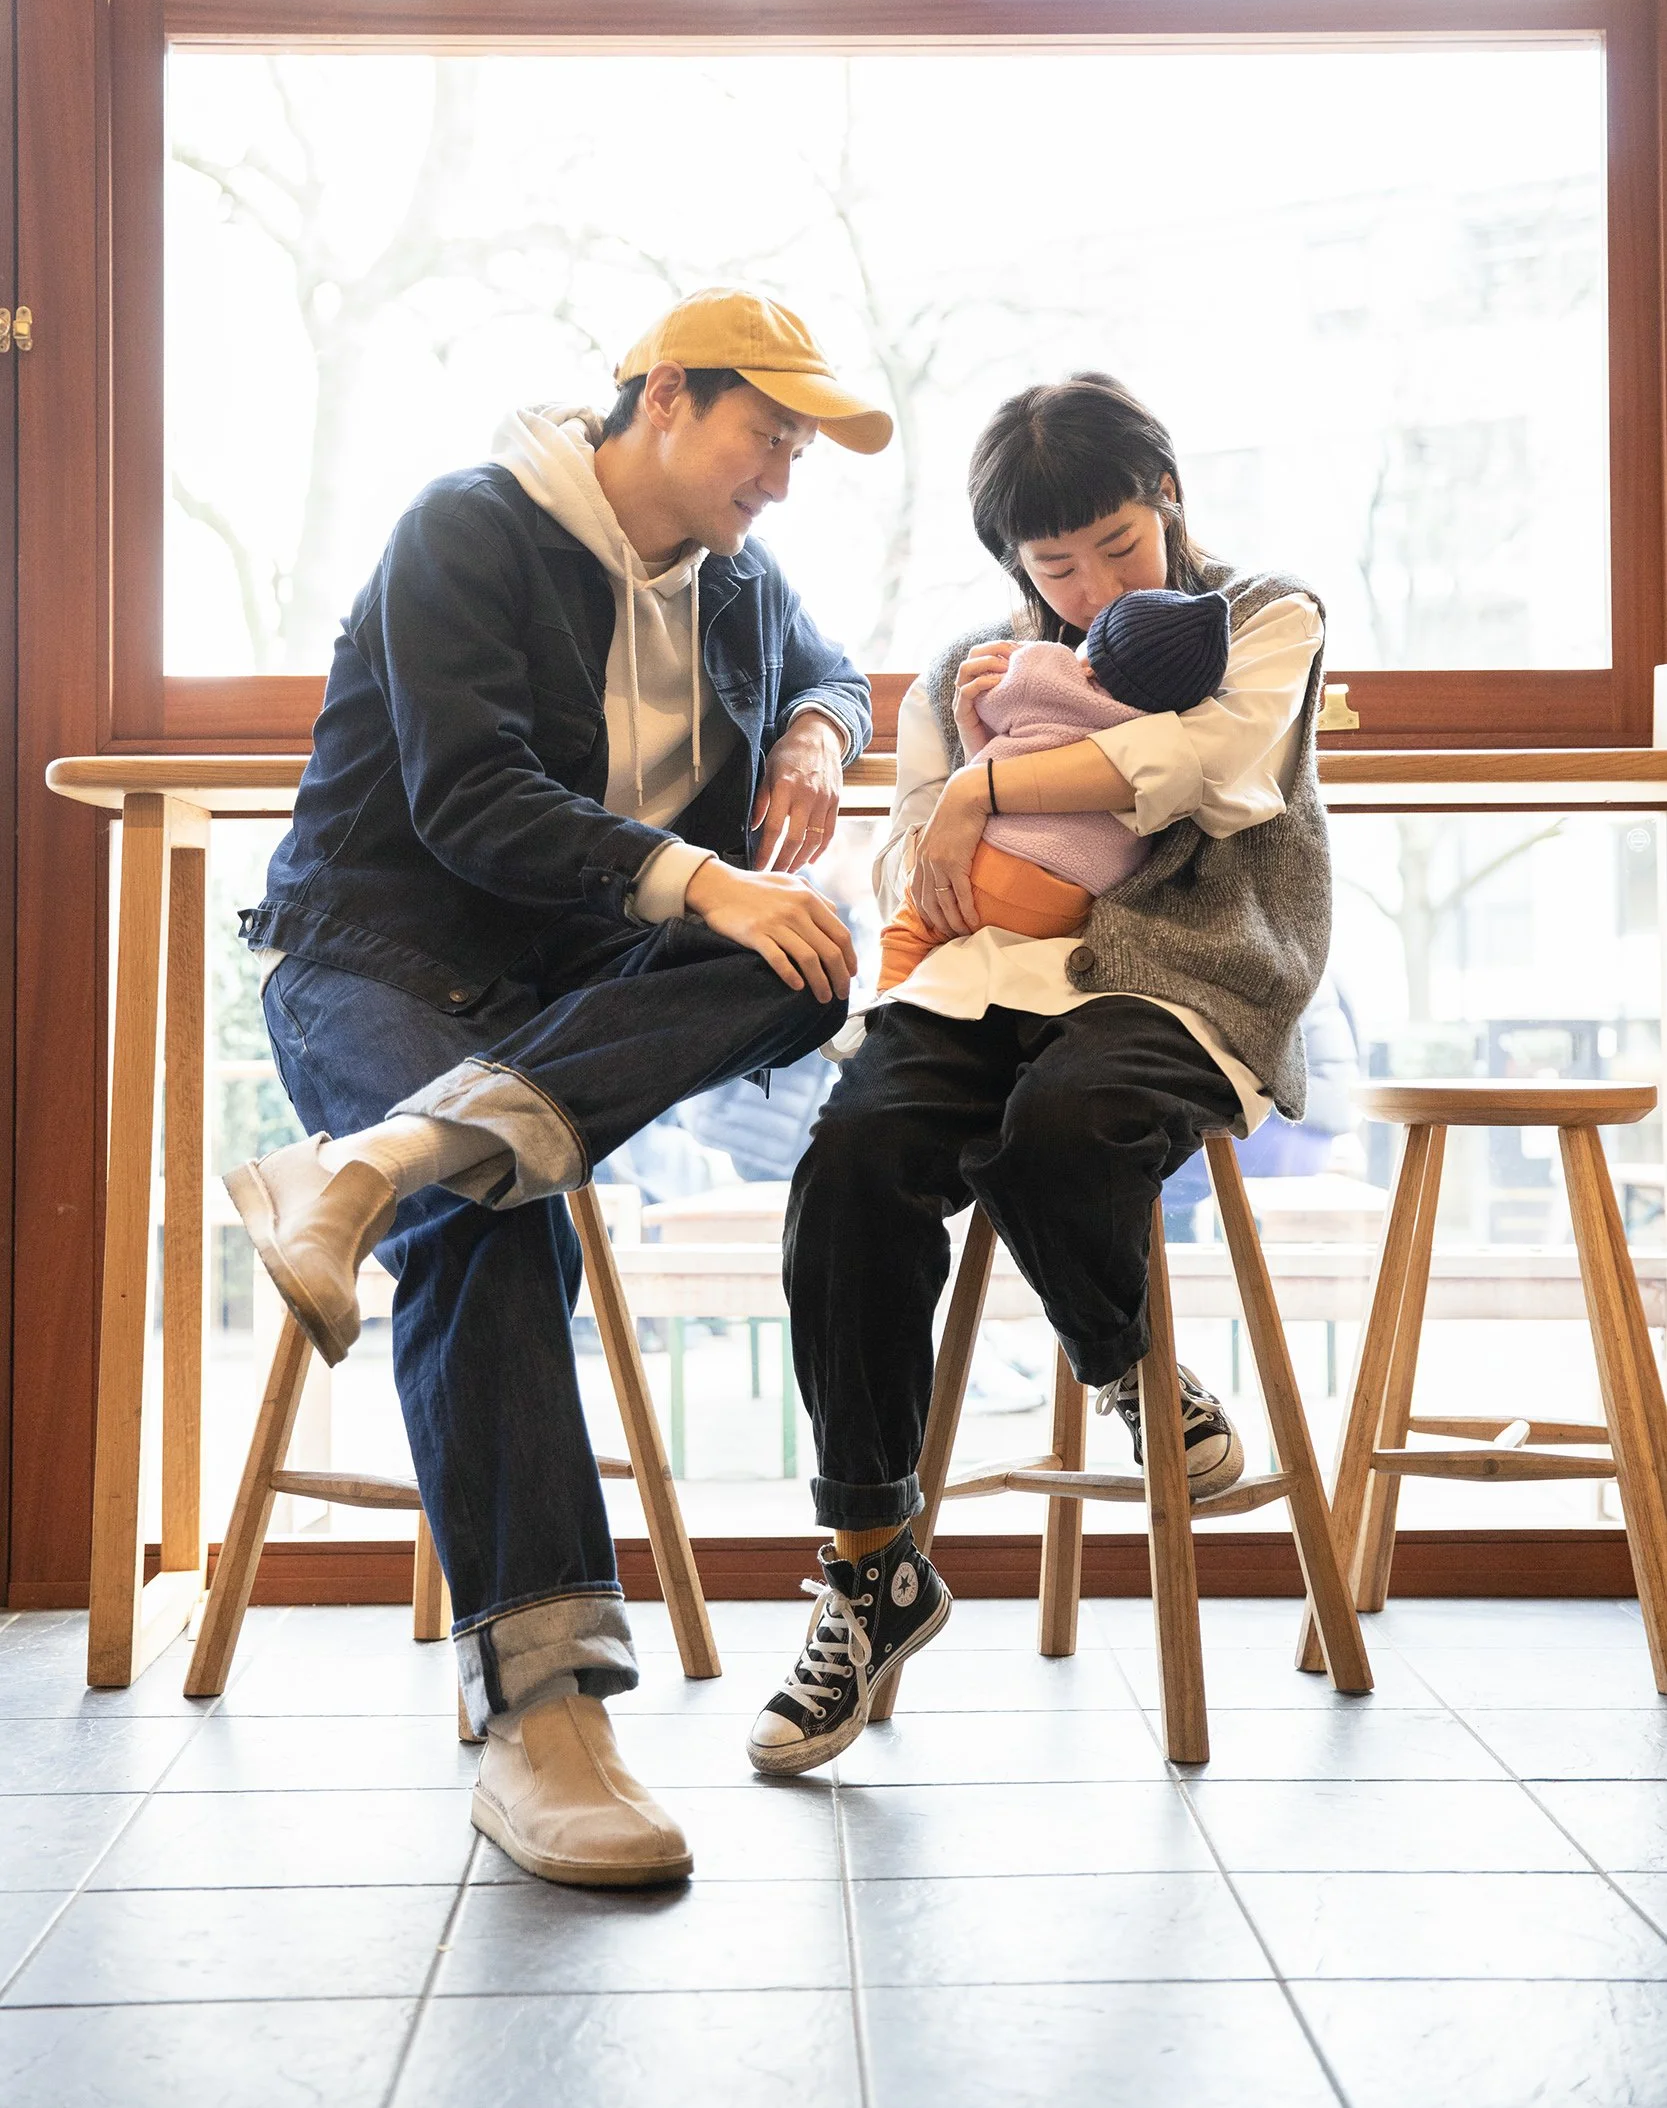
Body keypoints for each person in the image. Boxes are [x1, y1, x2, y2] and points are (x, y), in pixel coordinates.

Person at [226, 287, 889, 1884]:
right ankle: (548, 1728)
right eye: (764, 435)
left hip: (554, 998)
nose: (782, 477)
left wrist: (811, 726)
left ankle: (375, 1165)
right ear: (663, 397)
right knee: (491, 1227)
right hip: (378, 958)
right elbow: (468, 804)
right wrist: (698, 875)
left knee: (806, 951)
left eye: (800, 448)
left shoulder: (733, 578)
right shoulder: (466, 531)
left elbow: (833, 664)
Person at [748, 370, 1332, 1776]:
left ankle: (1129, 1374)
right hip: (975, 982)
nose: (1083, 591)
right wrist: (944, 811)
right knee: (848, 1171)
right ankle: (873, 1563)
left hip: (1182, 972)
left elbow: (1208, 764)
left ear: (1166, 497)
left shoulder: (1262, 617)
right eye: (1051, 567)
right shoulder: (971, 663)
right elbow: (913, 857)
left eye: (1114, 548)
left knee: (1058, 1128)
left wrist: (980, 788)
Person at [876, 585, 1230, 990]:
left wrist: (997, 684)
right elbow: (1009, 757)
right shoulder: (1160, 727)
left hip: (988, 867)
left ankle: (884, 1005)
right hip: (1071, 903)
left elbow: (996, 712)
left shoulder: (1046, 667)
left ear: (1091, 663)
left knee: (911, 932)